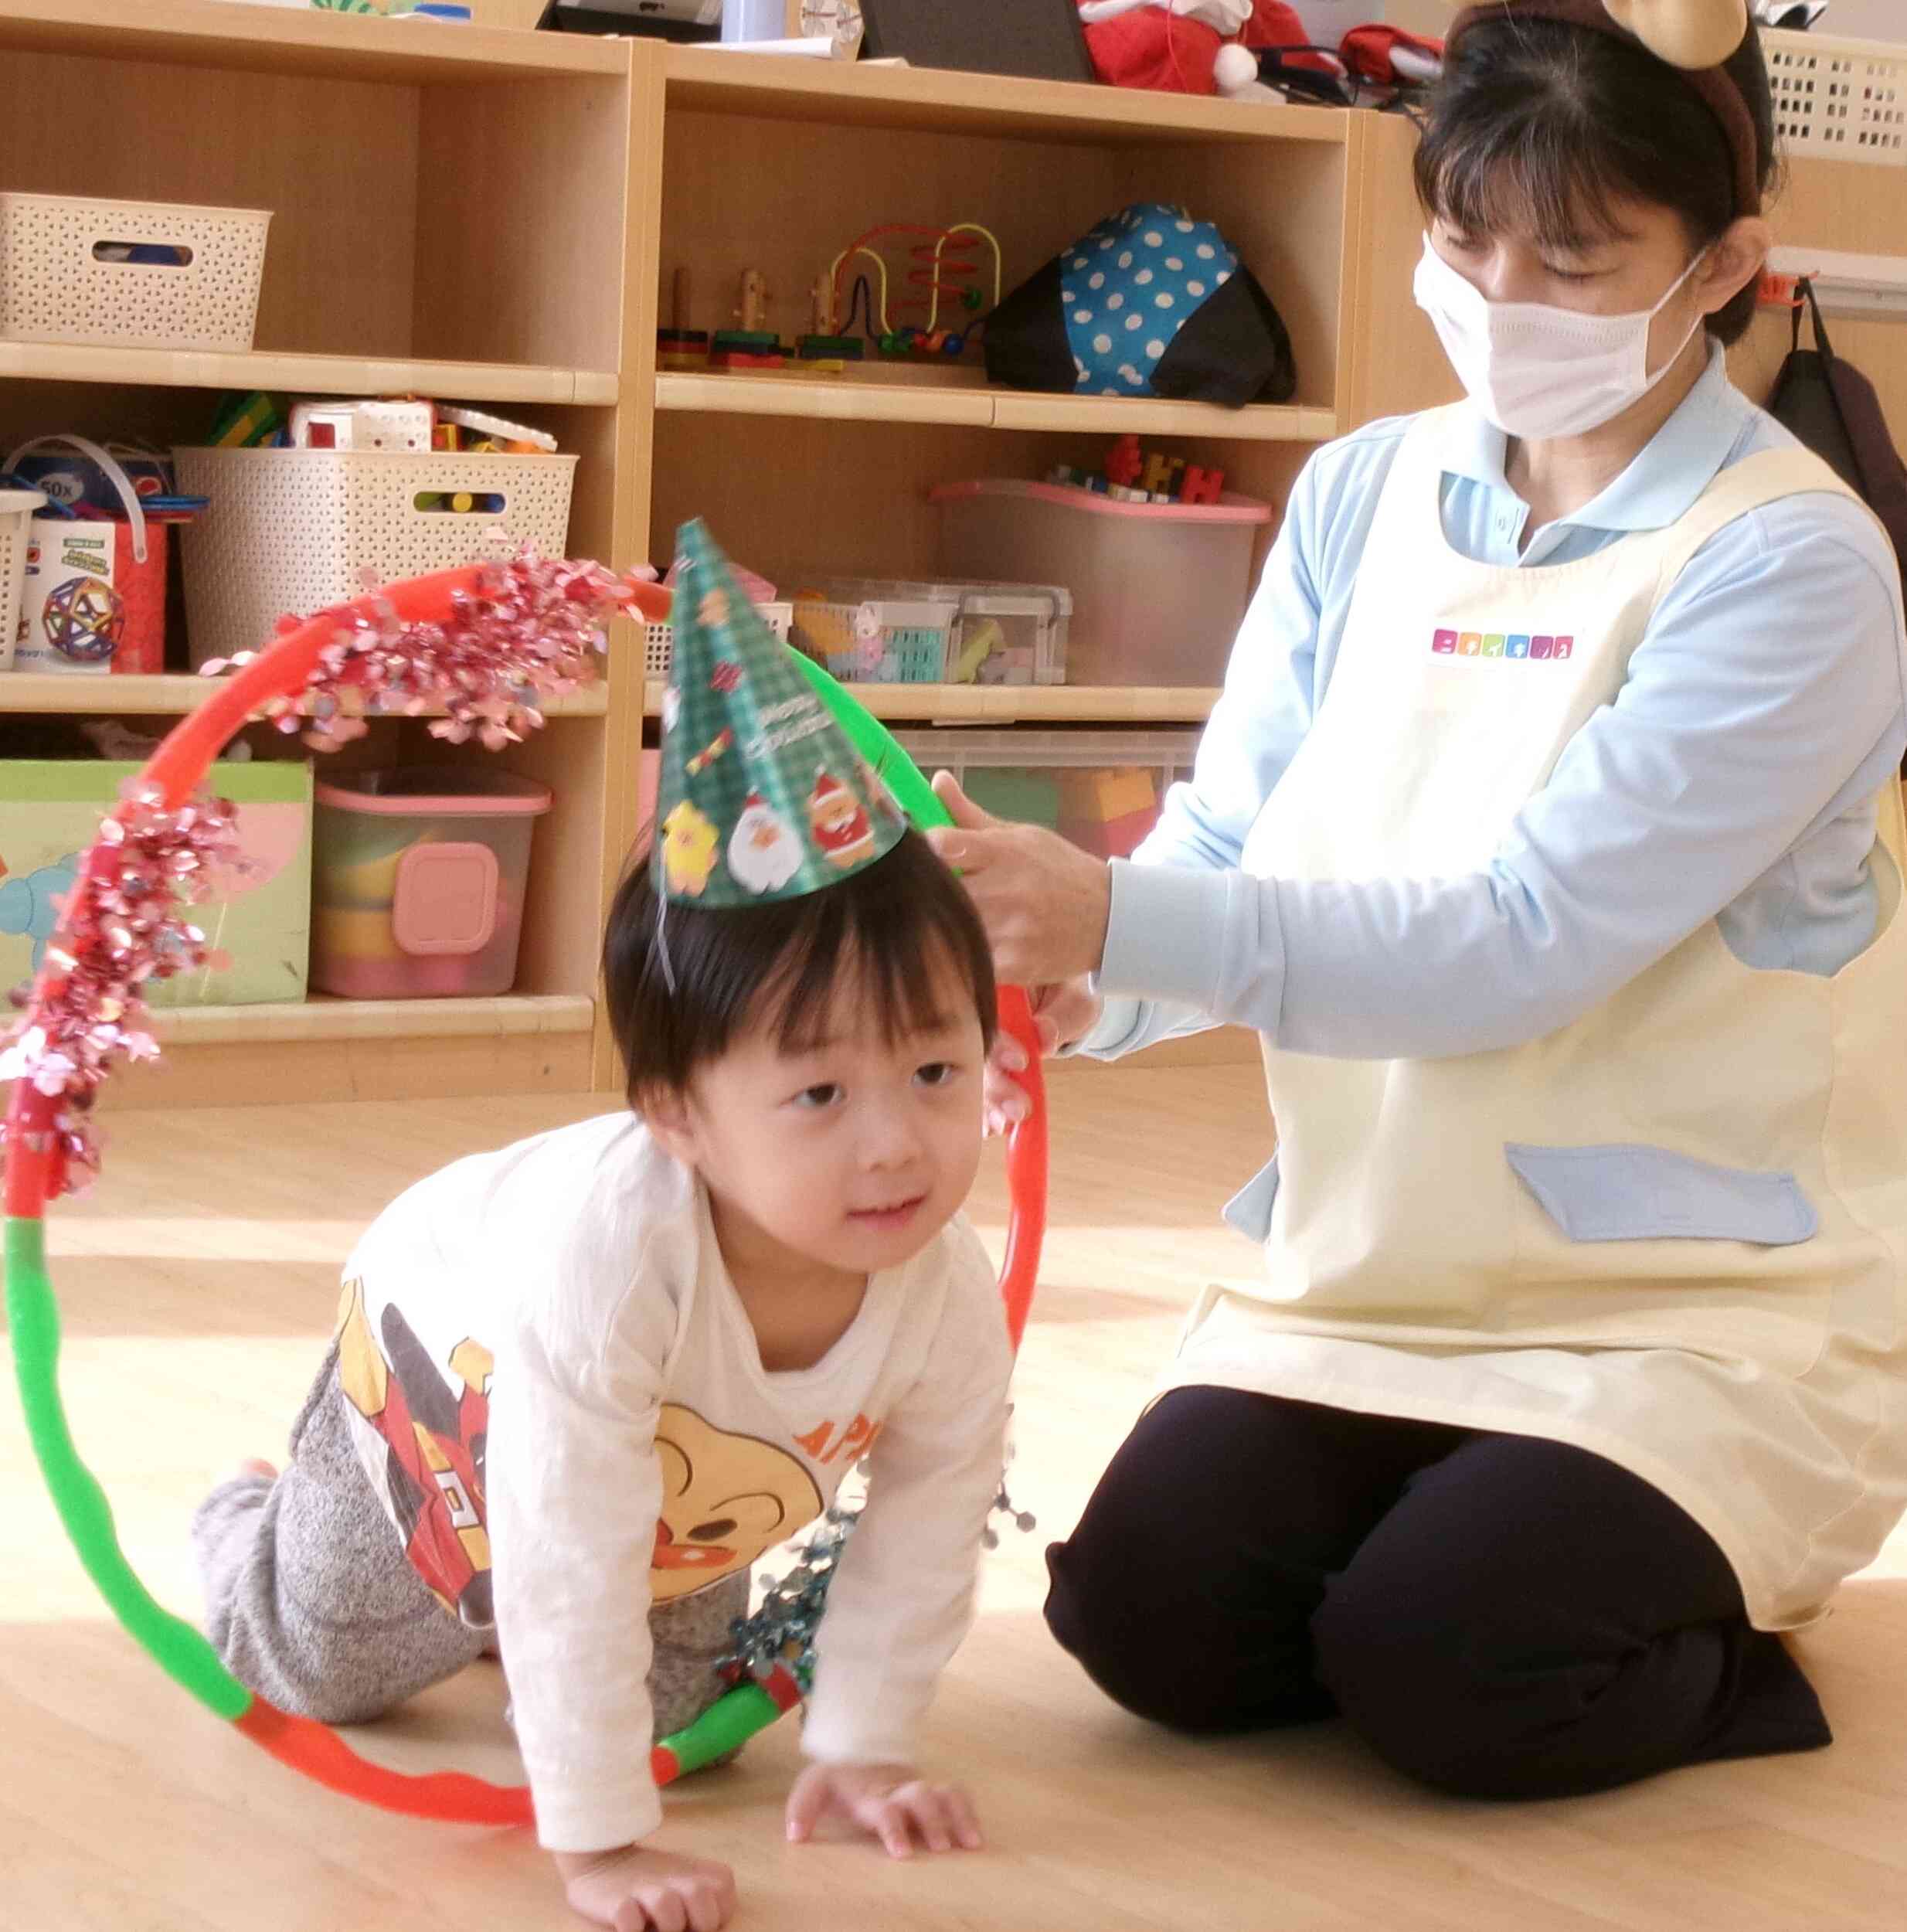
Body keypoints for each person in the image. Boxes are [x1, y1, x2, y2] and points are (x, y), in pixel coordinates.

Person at [927, 0, 1907, 1801]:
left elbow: (1521, 941)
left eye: (1576, 260)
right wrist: (1079, 989)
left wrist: (1112, 920)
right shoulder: (1364, 490)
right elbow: (1228, 841)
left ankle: (1705, 1629)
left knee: (1456, 1666)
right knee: (1147, 1620)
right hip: (1378, 1271)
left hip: (1690, 1318)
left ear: (1724, 268)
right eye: (1464, 241)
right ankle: (1467, 1536)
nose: (1503, 299)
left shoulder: (1790, 562)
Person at [194, 523, 1013, 1932]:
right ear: (677, 1115)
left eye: (937, 1070)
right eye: (820, 1091)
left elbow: (933, 1519)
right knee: (315, 1664)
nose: (895, 1143)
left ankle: (519, 1644)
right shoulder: (611, 1261)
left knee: (687, 1720)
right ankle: (246, 1513)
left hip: (667, 1500)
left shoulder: (946, 1291)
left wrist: (864, 1746)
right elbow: (568, 1541)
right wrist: (600, 1845)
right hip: (442, 1383)